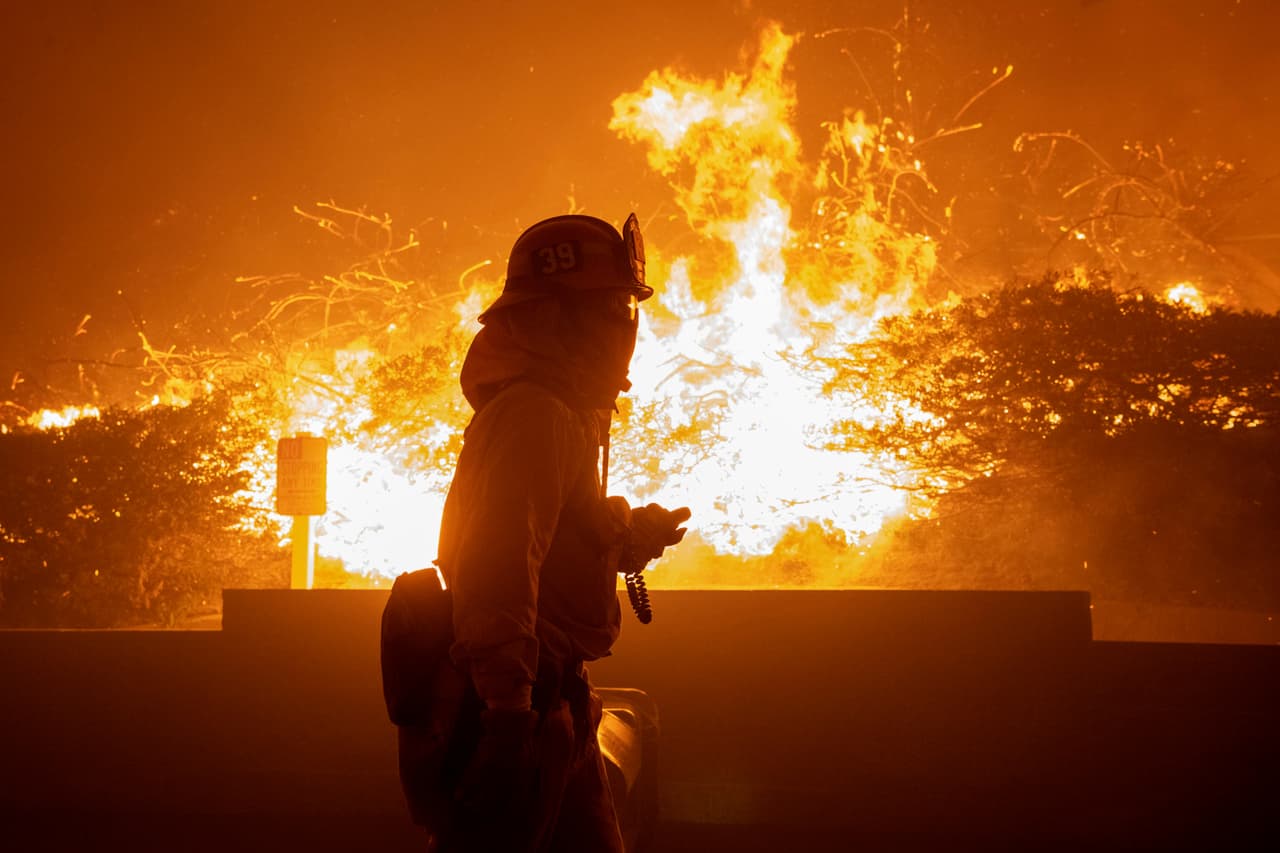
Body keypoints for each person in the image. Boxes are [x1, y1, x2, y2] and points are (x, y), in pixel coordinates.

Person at [431, 212, 691, 852]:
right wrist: (507, 722)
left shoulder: (560, 412)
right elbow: (498, 571)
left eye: (624, 309)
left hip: (552, 704)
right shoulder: (535, 416)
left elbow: (557, 543)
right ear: (557, 318)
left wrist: (632, 539)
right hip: (521, 710)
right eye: (609, 308)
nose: (623, 329)